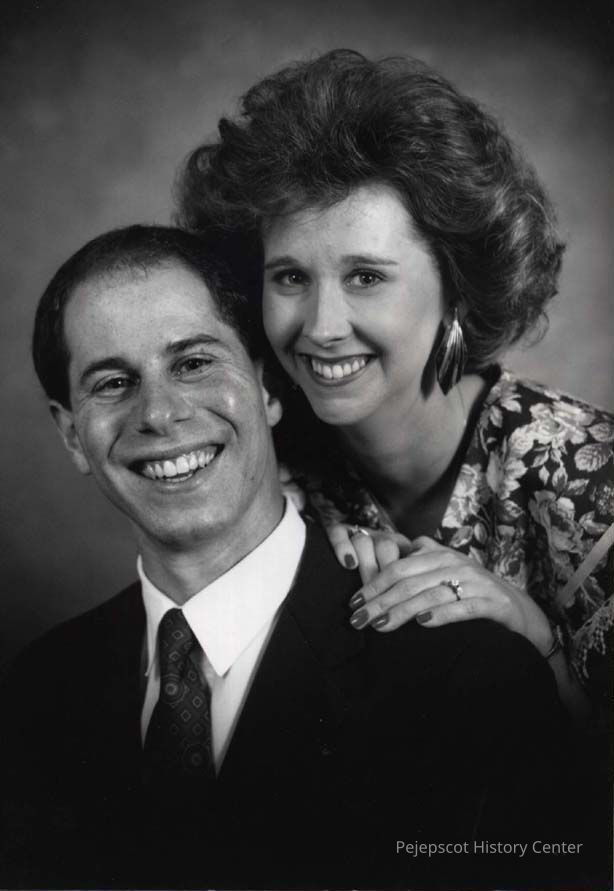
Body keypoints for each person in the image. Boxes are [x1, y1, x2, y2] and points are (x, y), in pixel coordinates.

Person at [0, 224, 603, 890]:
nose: (160, 414)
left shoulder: (471, 675)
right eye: (114, 383)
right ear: (72, 435)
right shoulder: (35, 692)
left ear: (267, 387)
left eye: (194, 363)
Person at [178, 49, 614, 731]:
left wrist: (536, 638)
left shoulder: (590, 474)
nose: (321, 327)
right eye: (291, 277)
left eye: (366, 277)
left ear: (457, 290)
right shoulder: (266, 467)